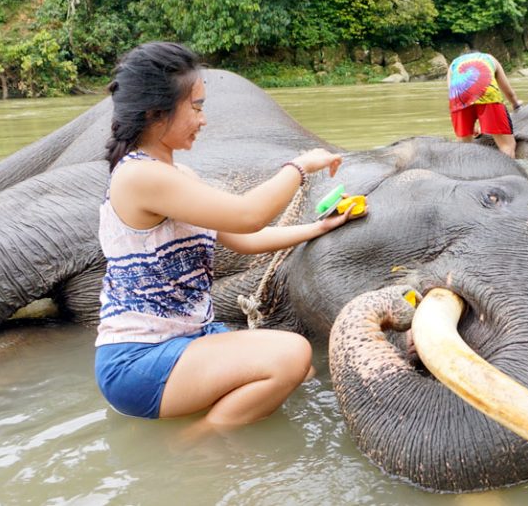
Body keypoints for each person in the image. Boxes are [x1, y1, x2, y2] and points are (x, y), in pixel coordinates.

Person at [94, 42, 359, 436]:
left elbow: (244, 237)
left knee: (300, 371)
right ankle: (195, 442)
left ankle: (211, 418)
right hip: (138, 360)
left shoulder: (179, 177)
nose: (203, 120)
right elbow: (248, 215)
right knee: (292, 355)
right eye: (196, 107)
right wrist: (300, 166)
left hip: (188, 339)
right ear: (155, 113)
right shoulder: (138, 177)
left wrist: (320, 227)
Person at [447, 50, 523, 159]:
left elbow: (452, 94)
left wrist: (470, 125)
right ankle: (507, 174)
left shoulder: (453, 64)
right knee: (507, 146)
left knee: (463, 148)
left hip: (459, 100)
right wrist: (516, 104)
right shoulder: (489, 58)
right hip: (487, 94)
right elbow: (509, 92)